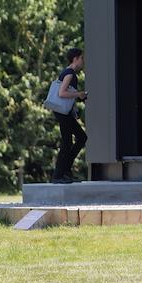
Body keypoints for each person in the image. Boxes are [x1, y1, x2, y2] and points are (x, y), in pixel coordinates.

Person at [52, 47, 88, 184]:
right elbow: (62, 93)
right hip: (63, 113)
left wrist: (79, 97)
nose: (83, 61)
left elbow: (67, 93)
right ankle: (59, 175)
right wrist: (78, 94)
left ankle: (65, 172)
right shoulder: (70, 74)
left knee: (76, 139)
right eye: (81, 58)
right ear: (75, 59)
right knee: (72, 140)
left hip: (64, 113)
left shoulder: (68, 73)